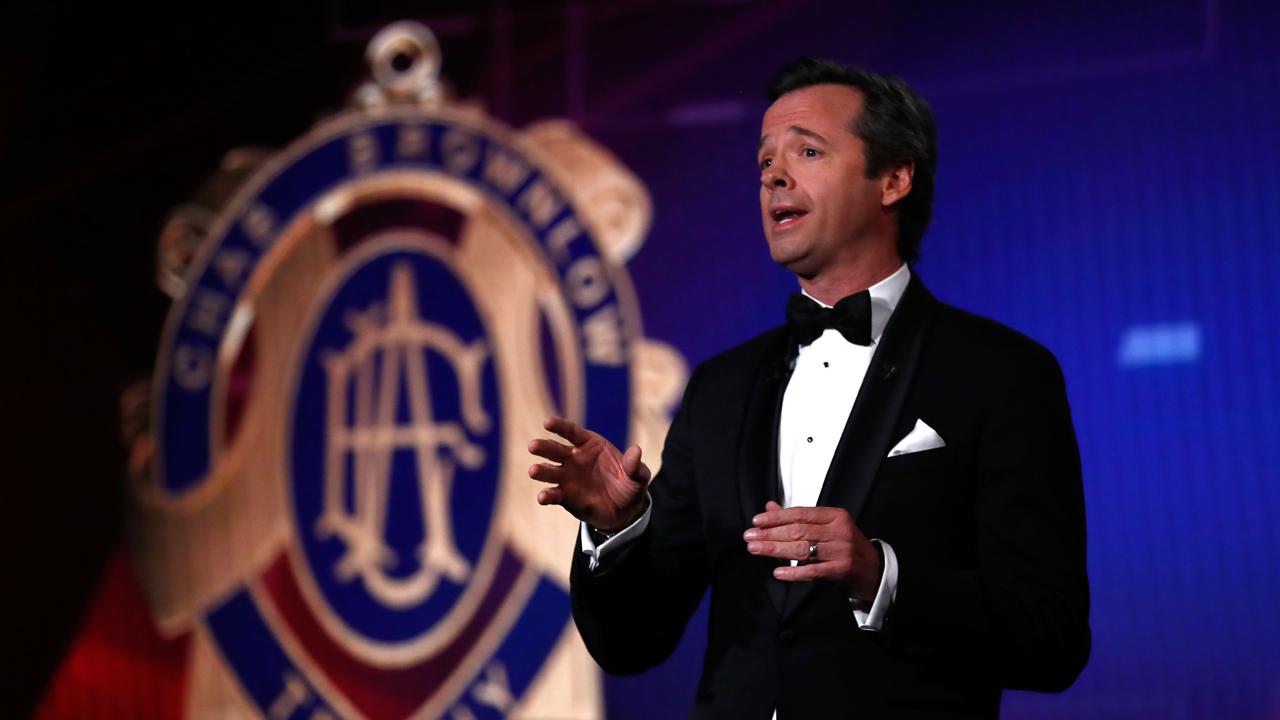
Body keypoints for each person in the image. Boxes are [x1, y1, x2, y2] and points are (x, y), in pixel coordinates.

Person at [528, 57, 1090, 719]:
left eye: (808, 150)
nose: (774, 175)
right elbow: (632, 643)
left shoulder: (1001, 373)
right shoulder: (720, 389)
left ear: (895, 177)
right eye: (764, 160)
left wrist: (879, 575)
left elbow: (1051, 640)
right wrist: (618, 530)